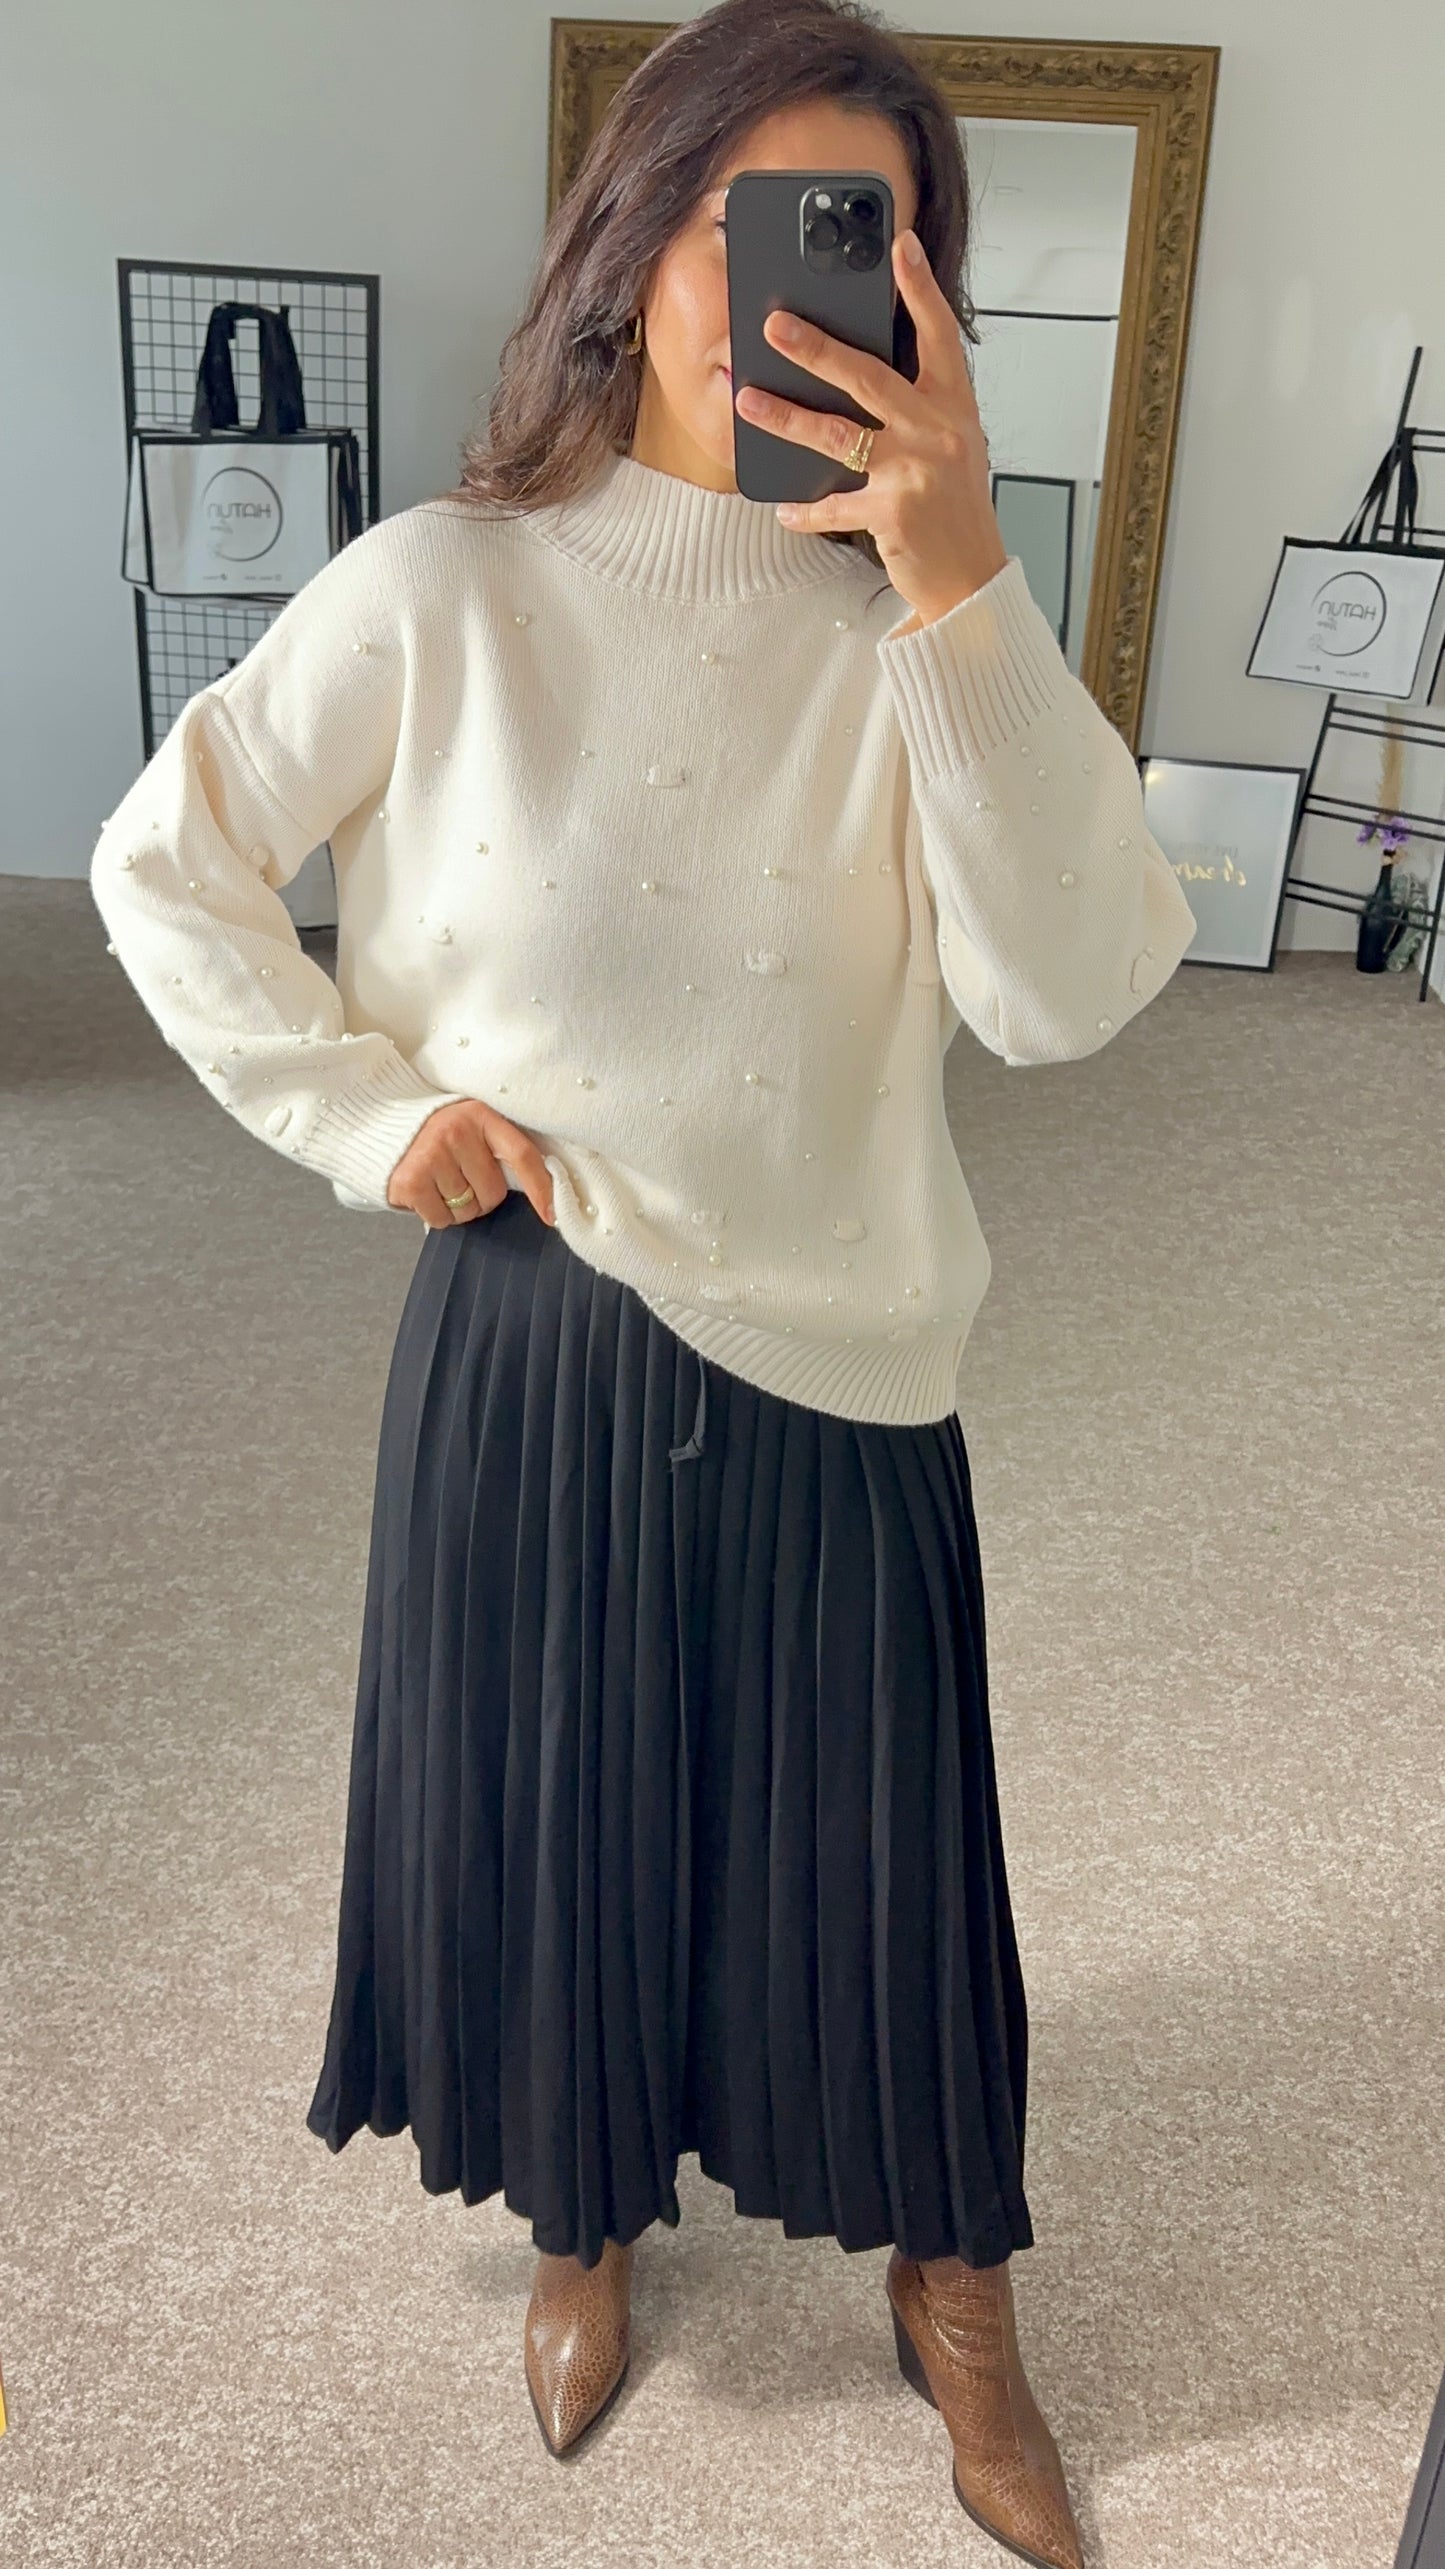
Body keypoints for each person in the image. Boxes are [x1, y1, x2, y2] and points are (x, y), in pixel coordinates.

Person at [91, 2, 1197, 2559]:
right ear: (631, 250)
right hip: (535, 1323)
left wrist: (961, 579)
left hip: (848, 1341)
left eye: (866, 234)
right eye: (745, 222)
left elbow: (1071, 989)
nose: (796, 285)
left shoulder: (935, 625)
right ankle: (582, 2220)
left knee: (884, 1870)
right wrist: (364, 1109)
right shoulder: (445, 586)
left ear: (924, 288)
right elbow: (171, 855)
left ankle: (954, 2285)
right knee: (551, 1820)